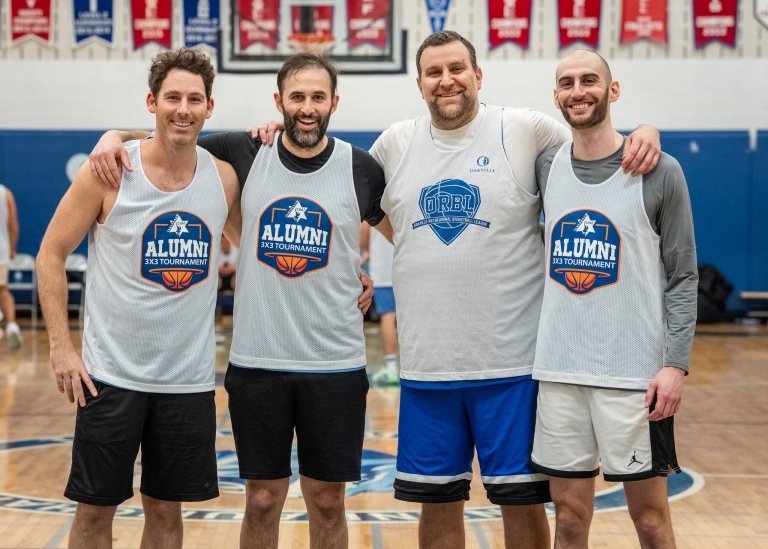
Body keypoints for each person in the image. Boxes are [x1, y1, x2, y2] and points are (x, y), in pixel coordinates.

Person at [251, 31, 661, 549]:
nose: (446, 81)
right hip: (427, 370)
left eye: (457, 69)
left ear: (478, 75)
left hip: (512, 369)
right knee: (438, 505)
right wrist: (276, 135)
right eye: (434, 72)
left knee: (521, 504)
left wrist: (646, 130)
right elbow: (331, 194)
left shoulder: (525, 129)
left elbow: (595, 141)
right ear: (419, 83)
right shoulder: (394, 144)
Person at [88, 53, 386, 549]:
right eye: (297, 96)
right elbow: (171, 136)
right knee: (262, 500)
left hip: (335, 364)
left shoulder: (362, 168)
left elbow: (404, 239)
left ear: (334, 103)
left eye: (317, 97)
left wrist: (358, 271)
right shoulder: (245, 150)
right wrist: (112, 137)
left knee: (328, 501)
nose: (307, 107)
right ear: (278, 101)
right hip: (257, 363)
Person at [36, 48, 241, 549]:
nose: (183, 109)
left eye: (195, 99)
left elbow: (259, 252)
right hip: (109, 376)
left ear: (209, 108)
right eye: (172, 97)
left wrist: (352, 275)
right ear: (152, 102)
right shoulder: (109, 171)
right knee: (93, 512)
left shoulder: (223, 178)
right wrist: (61, 348)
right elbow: (50, 254)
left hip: (187, 381)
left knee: (167, 511)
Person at [530, 50, 697, 548]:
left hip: (633, 377)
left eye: (589, 80)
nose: (578, 91)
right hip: (559, 372)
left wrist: (676, 366)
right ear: (555, 96)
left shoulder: (660, 170)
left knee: (650, 521)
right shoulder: (545, 166)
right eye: (566, 83)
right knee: (568, 519)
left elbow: (683, 275)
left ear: (613, 90)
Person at [360, 221, 399, 385]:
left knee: (387, 316)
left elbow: (363, 236)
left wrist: (369, 249)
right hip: (407, 266)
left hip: (384, 269)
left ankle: (391, 368)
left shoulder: (375, 204)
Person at [0, 184, 22, 349]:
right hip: (2, 249)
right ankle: (12, 325)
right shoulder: (5, 193)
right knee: (2, 289)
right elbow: (13, 226)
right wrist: (12, 248)